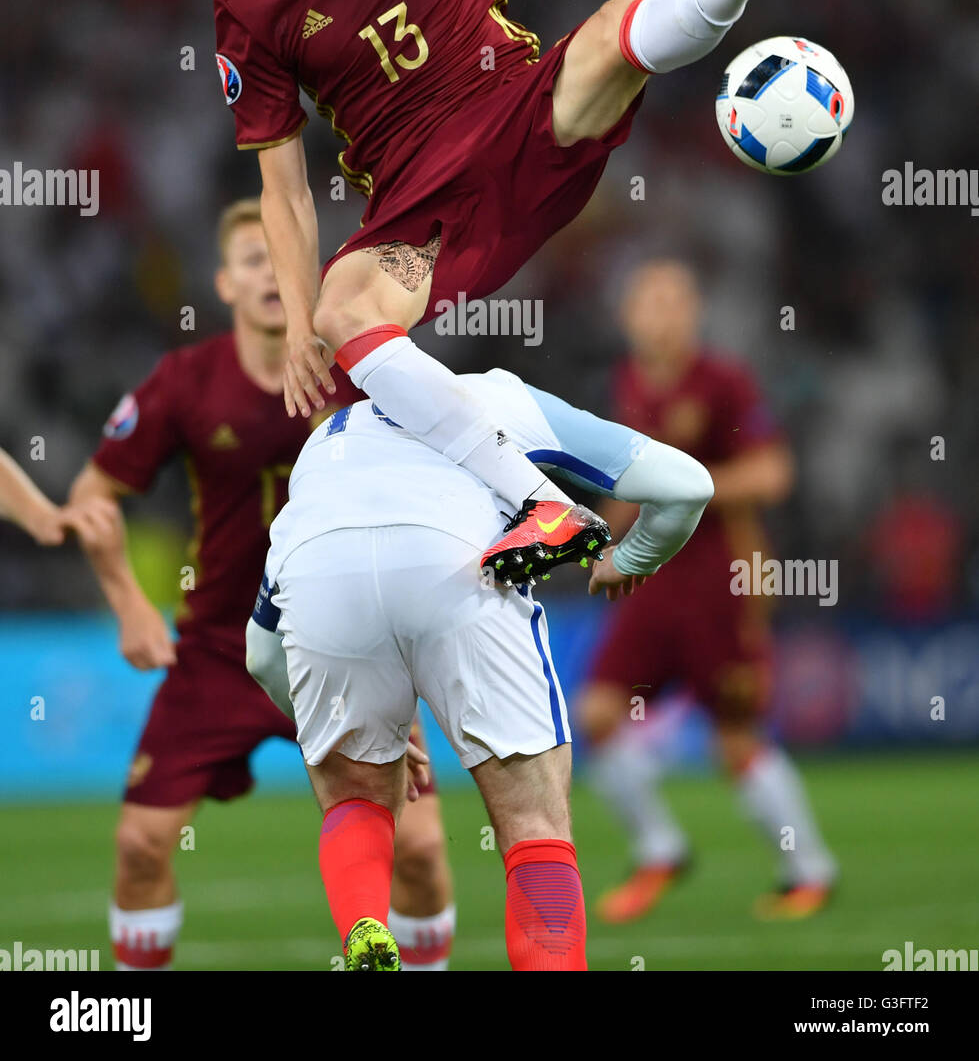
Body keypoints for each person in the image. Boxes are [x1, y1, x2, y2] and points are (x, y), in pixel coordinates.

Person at [213, 0, 867, 582]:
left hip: (522, 108)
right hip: (422, 207)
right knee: (344, 307)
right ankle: (542, 503)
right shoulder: (251, 8)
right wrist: (300, 322)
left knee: (603, 33)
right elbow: (283, 189)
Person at [68, 199, 456, 971]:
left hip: (349, 646)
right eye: (248, 260)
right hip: (218, 650)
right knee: (142, 843)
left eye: (273, 257)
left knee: (416, 849)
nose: (267, 274)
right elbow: (91, 495)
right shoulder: (185, 381)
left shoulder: (365, 369)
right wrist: (127, 602)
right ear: (224, 284)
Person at [246, 365, 715, 970]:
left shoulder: (327, 434)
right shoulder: (500, 395)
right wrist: (631, 558)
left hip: (321, 580)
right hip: (457, 570)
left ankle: (364, 921)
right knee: (533, 824)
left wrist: (338, 734)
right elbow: (688, 485)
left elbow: (260, 655)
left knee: (355, 800)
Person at [575, 261, 837, 922]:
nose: (660, 315)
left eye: (673, 301)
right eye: (648, 302)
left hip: (718, 583)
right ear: (626, 316)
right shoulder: (627, 382)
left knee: (735, 740)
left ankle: (807, 870)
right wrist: (598, 540)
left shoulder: (722, 382)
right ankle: (659, 849)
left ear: (693, 314)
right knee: (599, 714)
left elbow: (773, 474)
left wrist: (685, 487)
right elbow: (632, 489)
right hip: (650, 584)